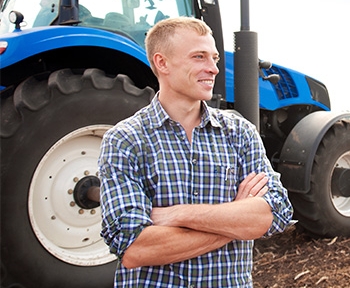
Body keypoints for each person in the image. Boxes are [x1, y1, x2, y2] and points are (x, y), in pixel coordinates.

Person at [98, 16, 293, 287]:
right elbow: (135, 249)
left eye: (214, 58)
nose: (213, 68)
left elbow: (275, 212)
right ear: (162, 63)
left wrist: (179, 214)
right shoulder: (125, 140)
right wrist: (236, 219)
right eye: (199, 57)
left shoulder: (240, 133)